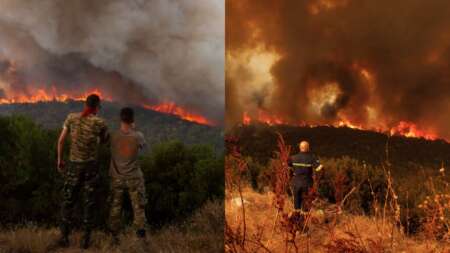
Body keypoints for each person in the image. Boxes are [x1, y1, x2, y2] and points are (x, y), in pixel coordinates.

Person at [56, 94, 108, 249]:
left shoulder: (71, 118)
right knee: (89, 204)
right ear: (97, 107)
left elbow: (61, 140)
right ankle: (85, 242)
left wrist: (59, 159)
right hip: (90, 167)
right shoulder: (100, 122)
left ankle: (64, 239)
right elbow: (105, 141)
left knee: (68, 202)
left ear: (85, 104)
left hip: (73, 166)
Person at [109, 107, 147, 245]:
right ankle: (141, 240)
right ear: (132, 120)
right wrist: (134, 129)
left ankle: (114, 238)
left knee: (115, 207)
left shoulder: (113, 136)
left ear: (121, 119)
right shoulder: (138, 136)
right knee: (139, 208)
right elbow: (142, 146)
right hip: (134, 178)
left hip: (117, 178)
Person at [288, 141, 323, 212]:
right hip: (307, 184)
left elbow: (286, 166)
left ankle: (297, 219)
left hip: (295, 183)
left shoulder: (293, 158)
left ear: (300, 148)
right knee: (306, 206)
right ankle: (305, 220)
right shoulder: (312, 158)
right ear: (308, 148)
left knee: (296, 205)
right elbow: (319, 169)